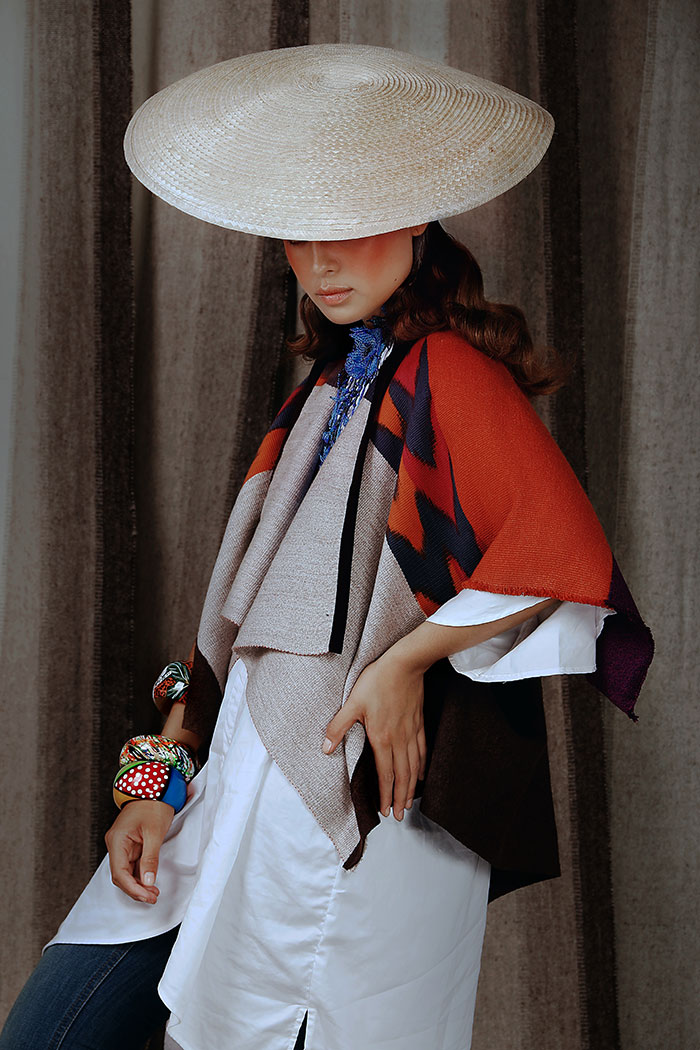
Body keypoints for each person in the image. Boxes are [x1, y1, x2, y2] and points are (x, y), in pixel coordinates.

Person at [0, 44, 653, 1050]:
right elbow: (213, 638)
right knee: (56, 1029)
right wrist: (154, 779)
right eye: (300, 236)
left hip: (348, 804)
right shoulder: (316, 398)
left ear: (418, 218)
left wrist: (407, 659)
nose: (322, 261)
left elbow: (560, 546)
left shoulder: (449, 375)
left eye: (348, 226)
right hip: (230, 775)